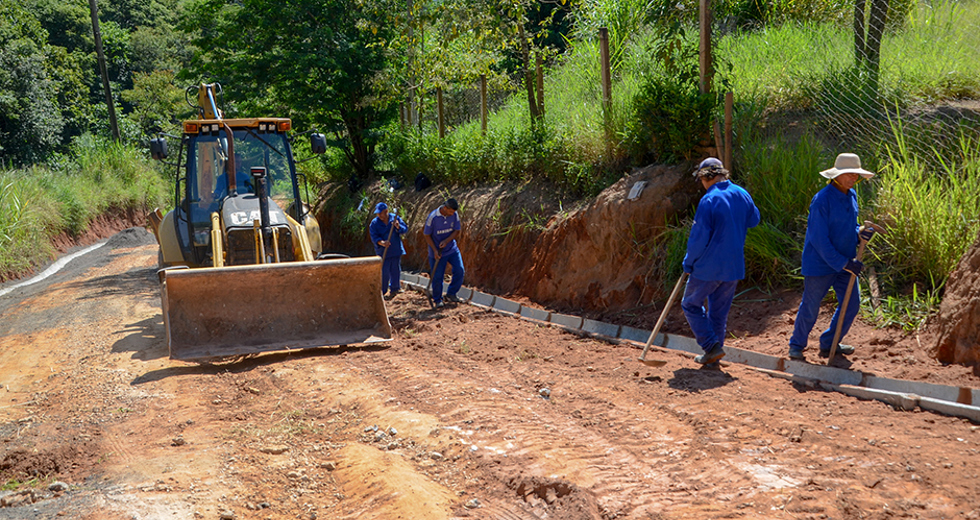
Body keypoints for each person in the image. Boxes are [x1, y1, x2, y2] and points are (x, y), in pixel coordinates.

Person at [788, 153, 876, 361]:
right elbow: (819, 239)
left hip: (846, 262)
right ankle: (796, 345)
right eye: (849, 173)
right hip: (821, 264)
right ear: (837, 175)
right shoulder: (822, 200)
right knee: (810, 305)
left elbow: (849, 227)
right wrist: (843, 263)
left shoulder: (851, 195)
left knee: (852, 303)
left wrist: (859, 232)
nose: (854, 177)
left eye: (856, 173)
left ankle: (830, 343)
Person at [680, 158, 761, 366]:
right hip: (733, 267)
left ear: (706, 177)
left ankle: (710, 346)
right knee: (719, 313)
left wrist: (689, 262)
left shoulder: (709, 200)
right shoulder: (742, 193)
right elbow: (755, 220)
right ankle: (714, 355)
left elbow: (698, 238)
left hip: (708, 268)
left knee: (690, 304)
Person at [423, 198, 464, 308]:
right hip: (437, 252)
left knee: (460, 270)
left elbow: (457, 230)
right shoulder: (433, 217)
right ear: (445, 208)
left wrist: (447, 240)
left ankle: (451, 294)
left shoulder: (454, 215)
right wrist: (435, 250)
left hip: (451, 249)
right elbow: (427, 235)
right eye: (450, 211)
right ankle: (437, 299)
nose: (452, 214)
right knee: (437, 277)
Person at [369, 202, 407, 300]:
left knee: (395, 270)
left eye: (380, 213)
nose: (379, 215)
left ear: (386, 211)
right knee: (384, 272)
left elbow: (404, 229)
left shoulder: (394, 218)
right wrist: (382, 243)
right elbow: (374, 236)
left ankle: (395, 288)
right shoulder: (374, 223)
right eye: (378, 213)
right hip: (383, 251)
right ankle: (382, 290)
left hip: (395, 249)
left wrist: (398, 227)